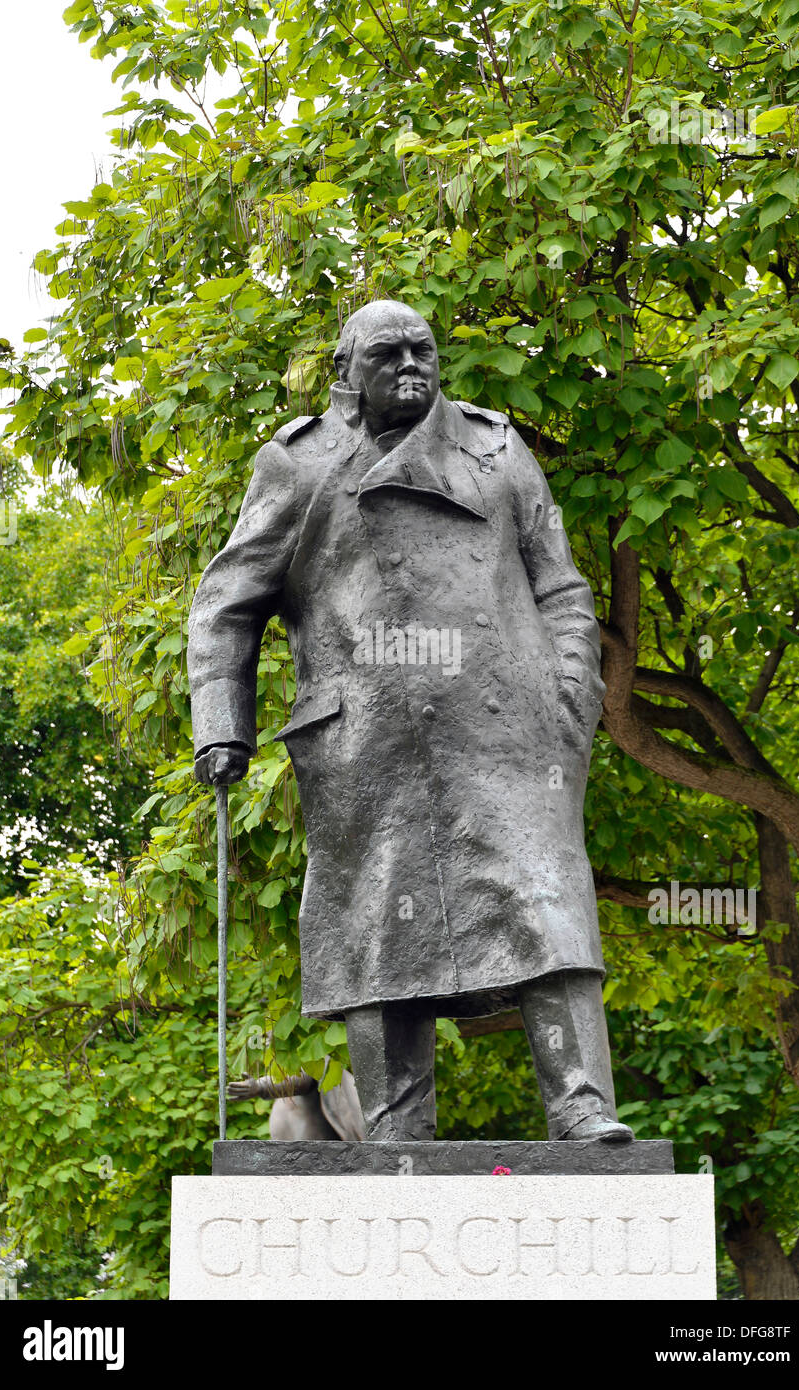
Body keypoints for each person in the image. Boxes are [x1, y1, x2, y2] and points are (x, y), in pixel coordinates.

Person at [189, 300, 632, 1144]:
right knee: (376, 928)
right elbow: (225, 604)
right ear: (345, 372)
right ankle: (396, 1132)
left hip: (508, 729)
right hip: (365, 739)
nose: (409, 367)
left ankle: (582, 1107)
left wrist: (569, 695)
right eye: (386, 355)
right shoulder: (299, 465)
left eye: (421, 351)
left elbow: (562, 588)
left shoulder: (495, 448)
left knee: (549, 905)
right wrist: (223, 726)